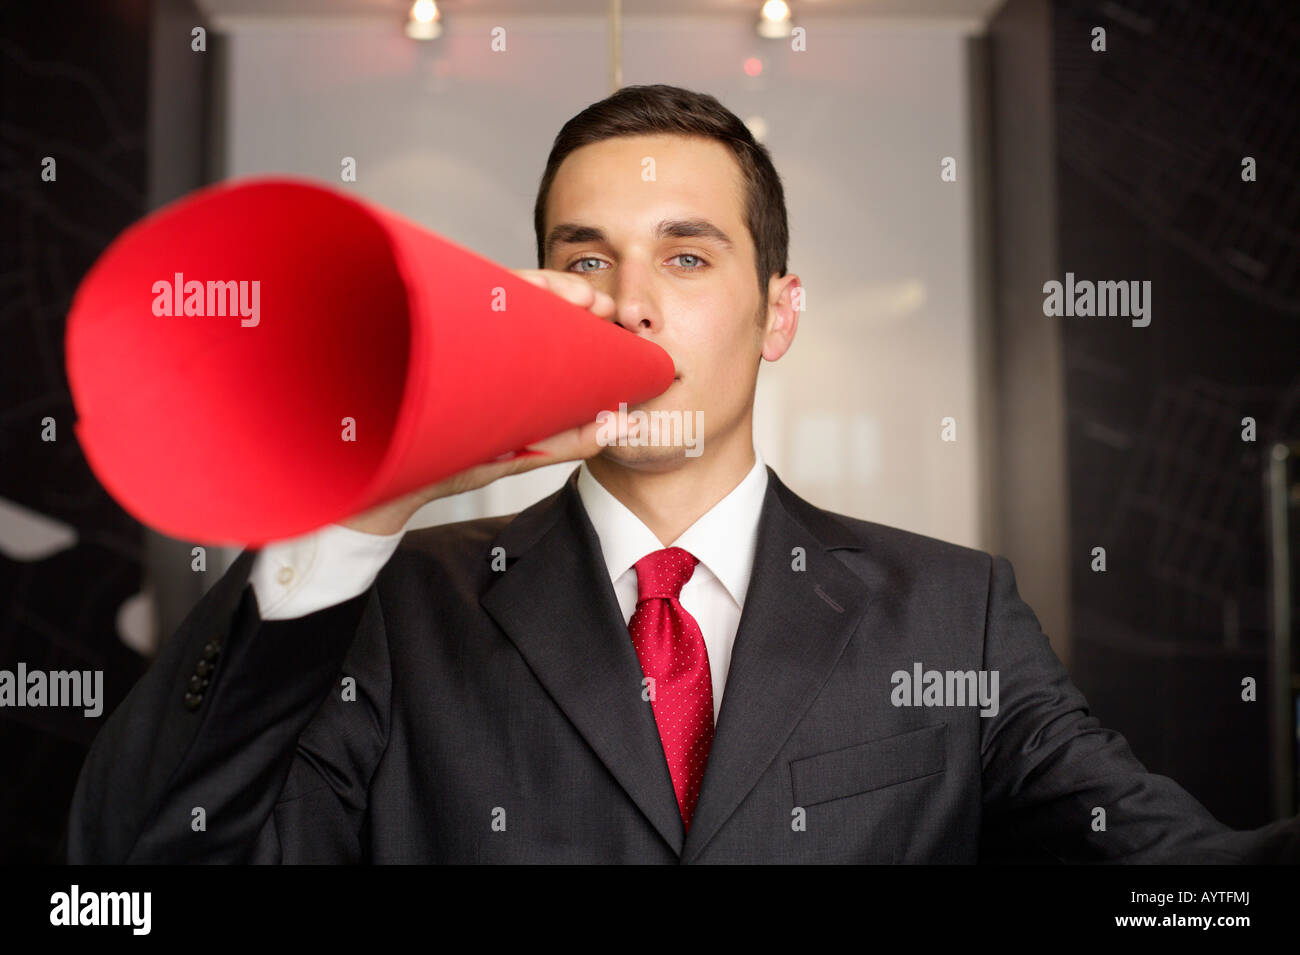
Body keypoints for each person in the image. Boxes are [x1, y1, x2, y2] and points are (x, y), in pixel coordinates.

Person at [66, 84, 1297, 864]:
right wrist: (363, 507)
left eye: (690, 258)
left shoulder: (951, 612)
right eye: (584, 258)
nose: (631, 307)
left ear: (779, 312)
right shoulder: (396, 606)